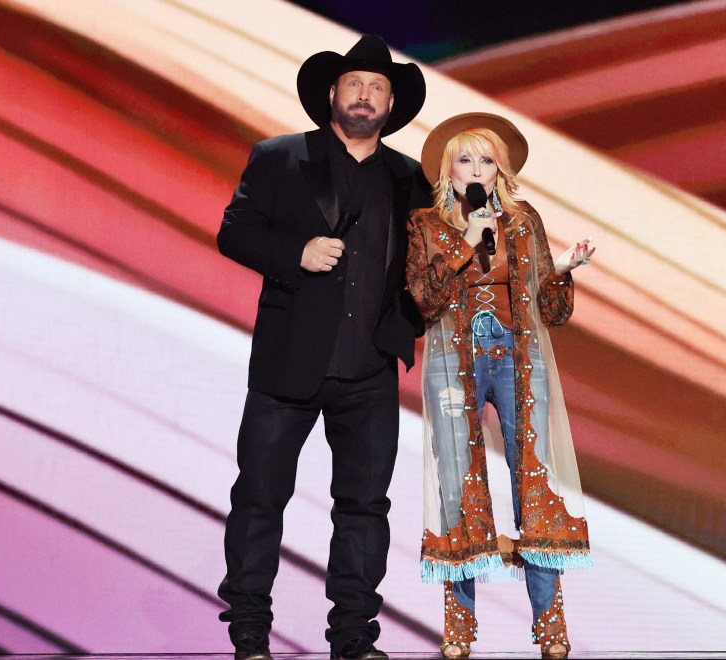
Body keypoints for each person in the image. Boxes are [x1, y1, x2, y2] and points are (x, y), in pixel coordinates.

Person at [215, 35, 432, 660]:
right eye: (354, 84)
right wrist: (295, 255)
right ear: (332, 94)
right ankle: (250, 635)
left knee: (365, 508)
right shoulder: (280, 157)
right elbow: (235, 233)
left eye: (378, 87)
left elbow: (424, 266)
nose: (365, 95)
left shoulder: (408, 177)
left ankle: (354, 640)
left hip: (368, 370)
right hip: (288, 364)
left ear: (391, 105)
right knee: (259, 497)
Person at [405, 113, 595, 660]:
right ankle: (460, 627)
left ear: (501, 170)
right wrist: (466, 240)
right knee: (458, 489)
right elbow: (424, 300)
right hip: (452, 363)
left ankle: (551, 626)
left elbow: (549, 309)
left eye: (486, 160)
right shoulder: (425, 225)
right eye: (465, 159)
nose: (477, 169)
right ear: (447, 170)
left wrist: (563, 270)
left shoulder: (523, 219)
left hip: (520, 360)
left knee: (534, 484)